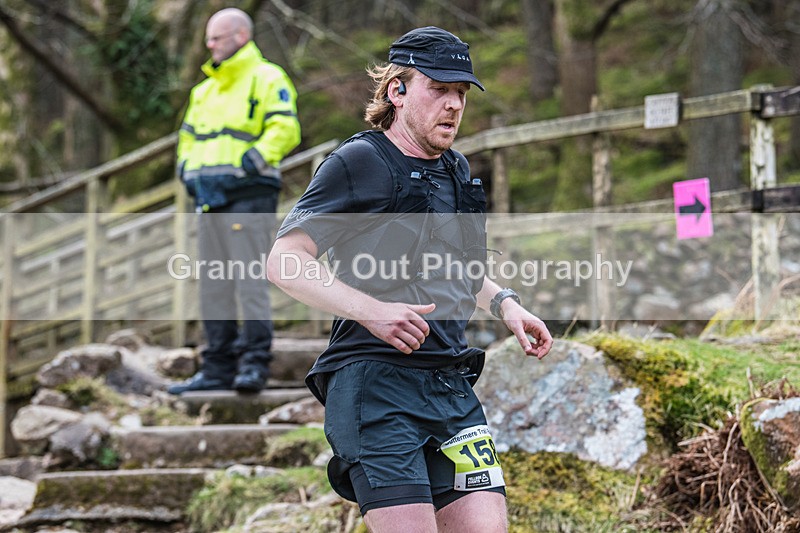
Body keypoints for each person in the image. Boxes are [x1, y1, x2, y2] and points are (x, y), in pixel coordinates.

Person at [267, 26, 552, 531]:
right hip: (374, 386)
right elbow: (285, 261)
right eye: (438, 89)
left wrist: (507, 304)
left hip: (449, 384)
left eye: (460, 93)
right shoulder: (358, 162)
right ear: (396, 91)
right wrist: (372, 311)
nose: (453, 105)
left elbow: (459, 268)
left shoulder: (456, 169)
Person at [169, 8, 301, 394]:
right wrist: (188, 175)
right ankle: (216, 369)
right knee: (213, 283)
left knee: (248, 280)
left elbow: (285, 128)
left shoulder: (267, 77)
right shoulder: (203, 91)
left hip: (250, 196)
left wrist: (246, 166)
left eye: (217, 37)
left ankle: (254, 365)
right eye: (209, 37)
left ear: (241, 36)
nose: (209, 44)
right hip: (209, 200)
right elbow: (187, 141)